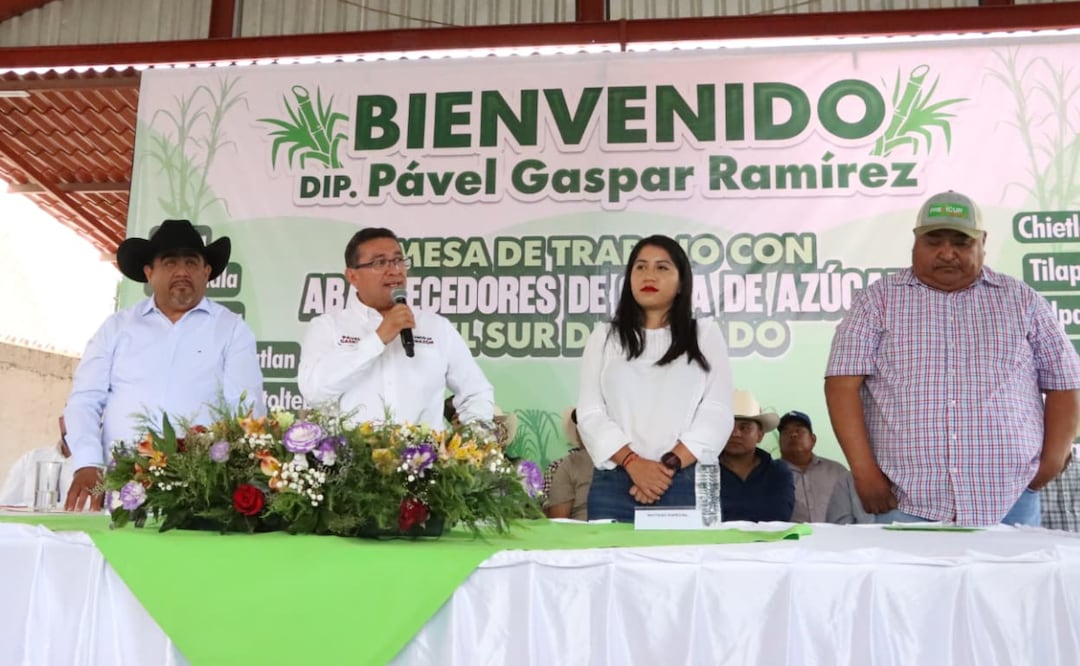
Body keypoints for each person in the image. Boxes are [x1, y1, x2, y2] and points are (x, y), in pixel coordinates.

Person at [825, 191, 1080, 526]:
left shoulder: (1022, 301)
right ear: (915, 242)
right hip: (907, 499)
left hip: (1010, 498)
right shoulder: (877, 301)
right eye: (934, 242)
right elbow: (841, 385)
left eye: (961, 242)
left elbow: (1065, 383)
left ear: (983, 242)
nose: (947, 253)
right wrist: (864, 471)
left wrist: (1051, 462)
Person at [64, 219, 265, 512]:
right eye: (170, 263)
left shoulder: (232, 330)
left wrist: (233, 477)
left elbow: (246, 412)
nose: (182, 271)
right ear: (149, 273)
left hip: (199, 493)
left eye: (191, 262)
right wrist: (87, 462)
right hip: (118, 490)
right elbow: (84, 400)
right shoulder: (116, 328)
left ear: (206, 272)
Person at [576, 234, 734, 523]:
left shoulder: (705, 334)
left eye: (662, 267)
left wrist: (666, 467)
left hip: (683, 480)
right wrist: (633, 463)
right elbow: (590, 413)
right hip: (614, 483)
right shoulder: (604, 337)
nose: (649, 275)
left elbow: (717, 412)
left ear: (681, 282)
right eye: (640, 267)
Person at [299, 227, 493, 429]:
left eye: (398, 260)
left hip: (423, 449)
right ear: (352, 276)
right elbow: (314, 391)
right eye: (380, 263)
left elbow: (476, 392)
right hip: (351, 449)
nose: (395, 270)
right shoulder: (328, 327)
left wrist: (474, 438)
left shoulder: (436, 327)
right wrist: (378, 338)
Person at [719, 390, 795, 522]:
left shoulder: (778, 472)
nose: (735, 434)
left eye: (745, 428)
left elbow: (780, 515)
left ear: (760, 435)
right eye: (728, 426)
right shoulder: (702, 471)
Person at [777, 410, 849, 523]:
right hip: (790, 534)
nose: (793, 435)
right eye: (786, 432)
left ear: (813, 439)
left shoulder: (837, 471)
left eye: (799, 430)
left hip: (835, 533)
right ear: (779, 442)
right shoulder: (770, 474)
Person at [0, 416, 75, 507]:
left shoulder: (91, 467)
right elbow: (5, 506)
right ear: (61, 422)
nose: (79, 427)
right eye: (74, 418)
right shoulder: (31, 459)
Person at [543, 407, 594, 521]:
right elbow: (559, 520)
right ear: (577, 432)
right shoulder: (564, 465)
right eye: (582, 425)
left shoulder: (629, 460)